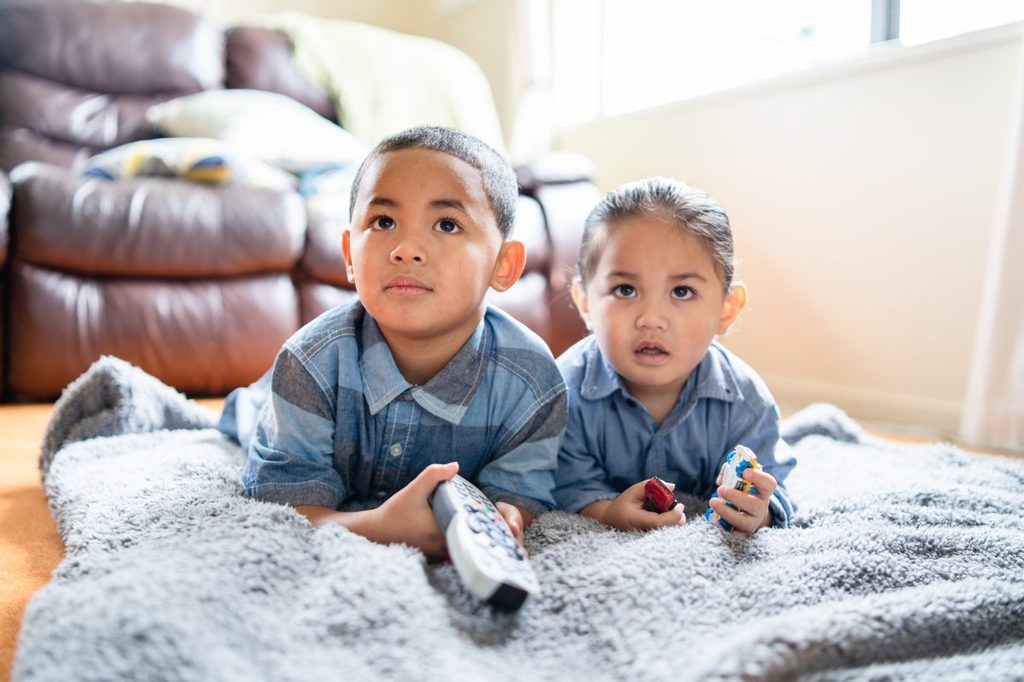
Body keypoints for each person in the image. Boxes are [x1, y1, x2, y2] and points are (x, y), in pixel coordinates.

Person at [218, 126, 567, 558]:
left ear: (504, 264)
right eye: (383, 222)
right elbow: (284, 512)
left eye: (446, 224)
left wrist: (508, 516)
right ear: (349, 255)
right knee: (247, 417)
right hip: (279, 412)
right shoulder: (308, 363)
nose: (406, 249)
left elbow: (522, 493)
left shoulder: (533, 382)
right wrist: (377, 526)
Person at [553, 177, 796, 536]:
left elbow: (774, 485)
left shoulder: (744, 400)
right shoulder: (562, 393)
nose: (651, 319)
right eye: (625, 289)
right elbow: (564, 484)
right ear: (585, 302)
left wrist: (760, 513)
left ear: (727, 309)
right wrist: (605, 511)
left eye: (682, 291)